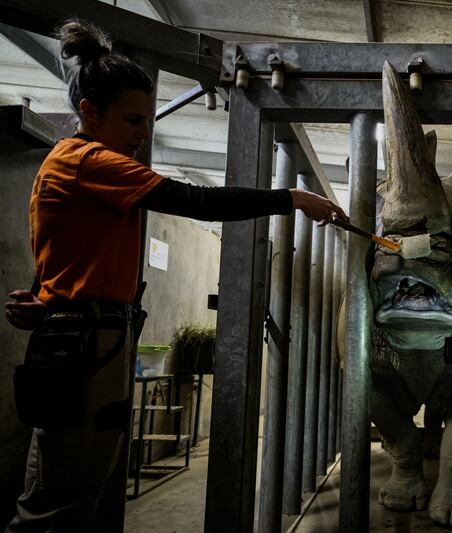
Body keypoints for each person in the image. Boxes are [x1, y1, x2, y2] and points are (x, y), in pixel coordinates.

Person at [3, 20, 346, 532]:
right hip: (86, 343)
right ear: (89, 113)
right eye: (134, 120)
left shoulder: (76, 165)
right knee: (57, 496)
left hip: (90, 334)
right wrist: (290, 198)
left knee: (77, 483)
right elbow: (197, 200)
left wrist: (47, 300)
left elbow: (65, 249)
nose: (144, 134)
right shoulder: (90, 160)